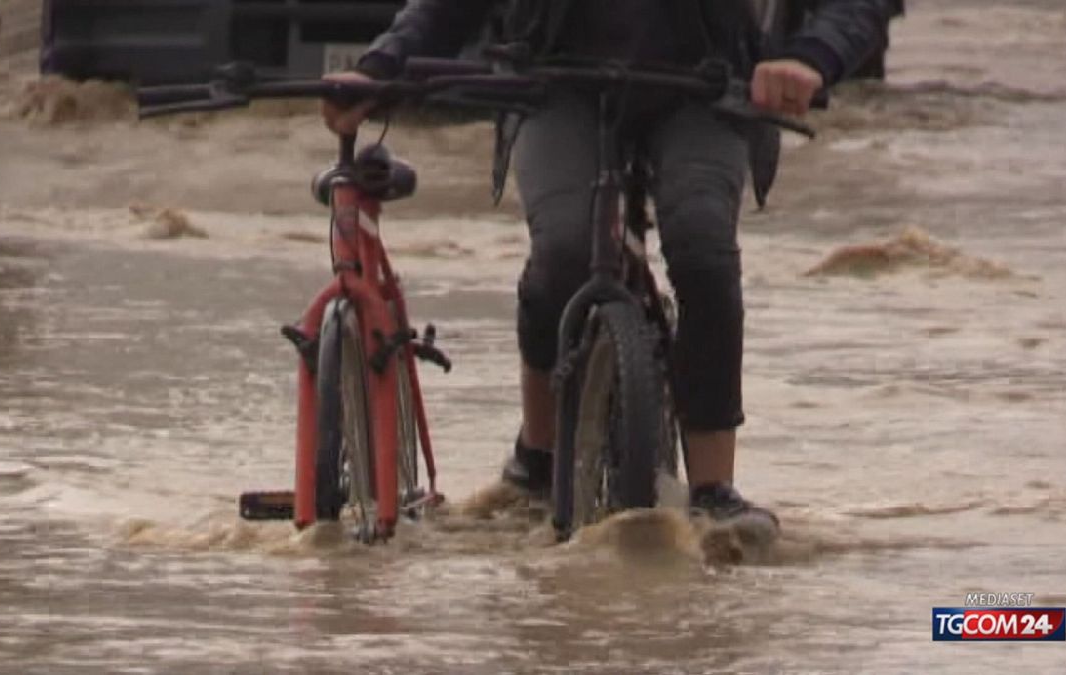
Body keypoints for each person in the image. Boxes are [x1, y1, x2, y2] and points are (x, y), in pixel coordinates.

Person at [322, 0, 893, 529]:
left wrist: (810, 56)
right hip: (553, 87)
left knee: (702, 249)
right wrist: (380, 65)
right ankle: (538, 458)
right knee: (563, 251)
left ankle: (716, 489)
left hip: (708, 91)